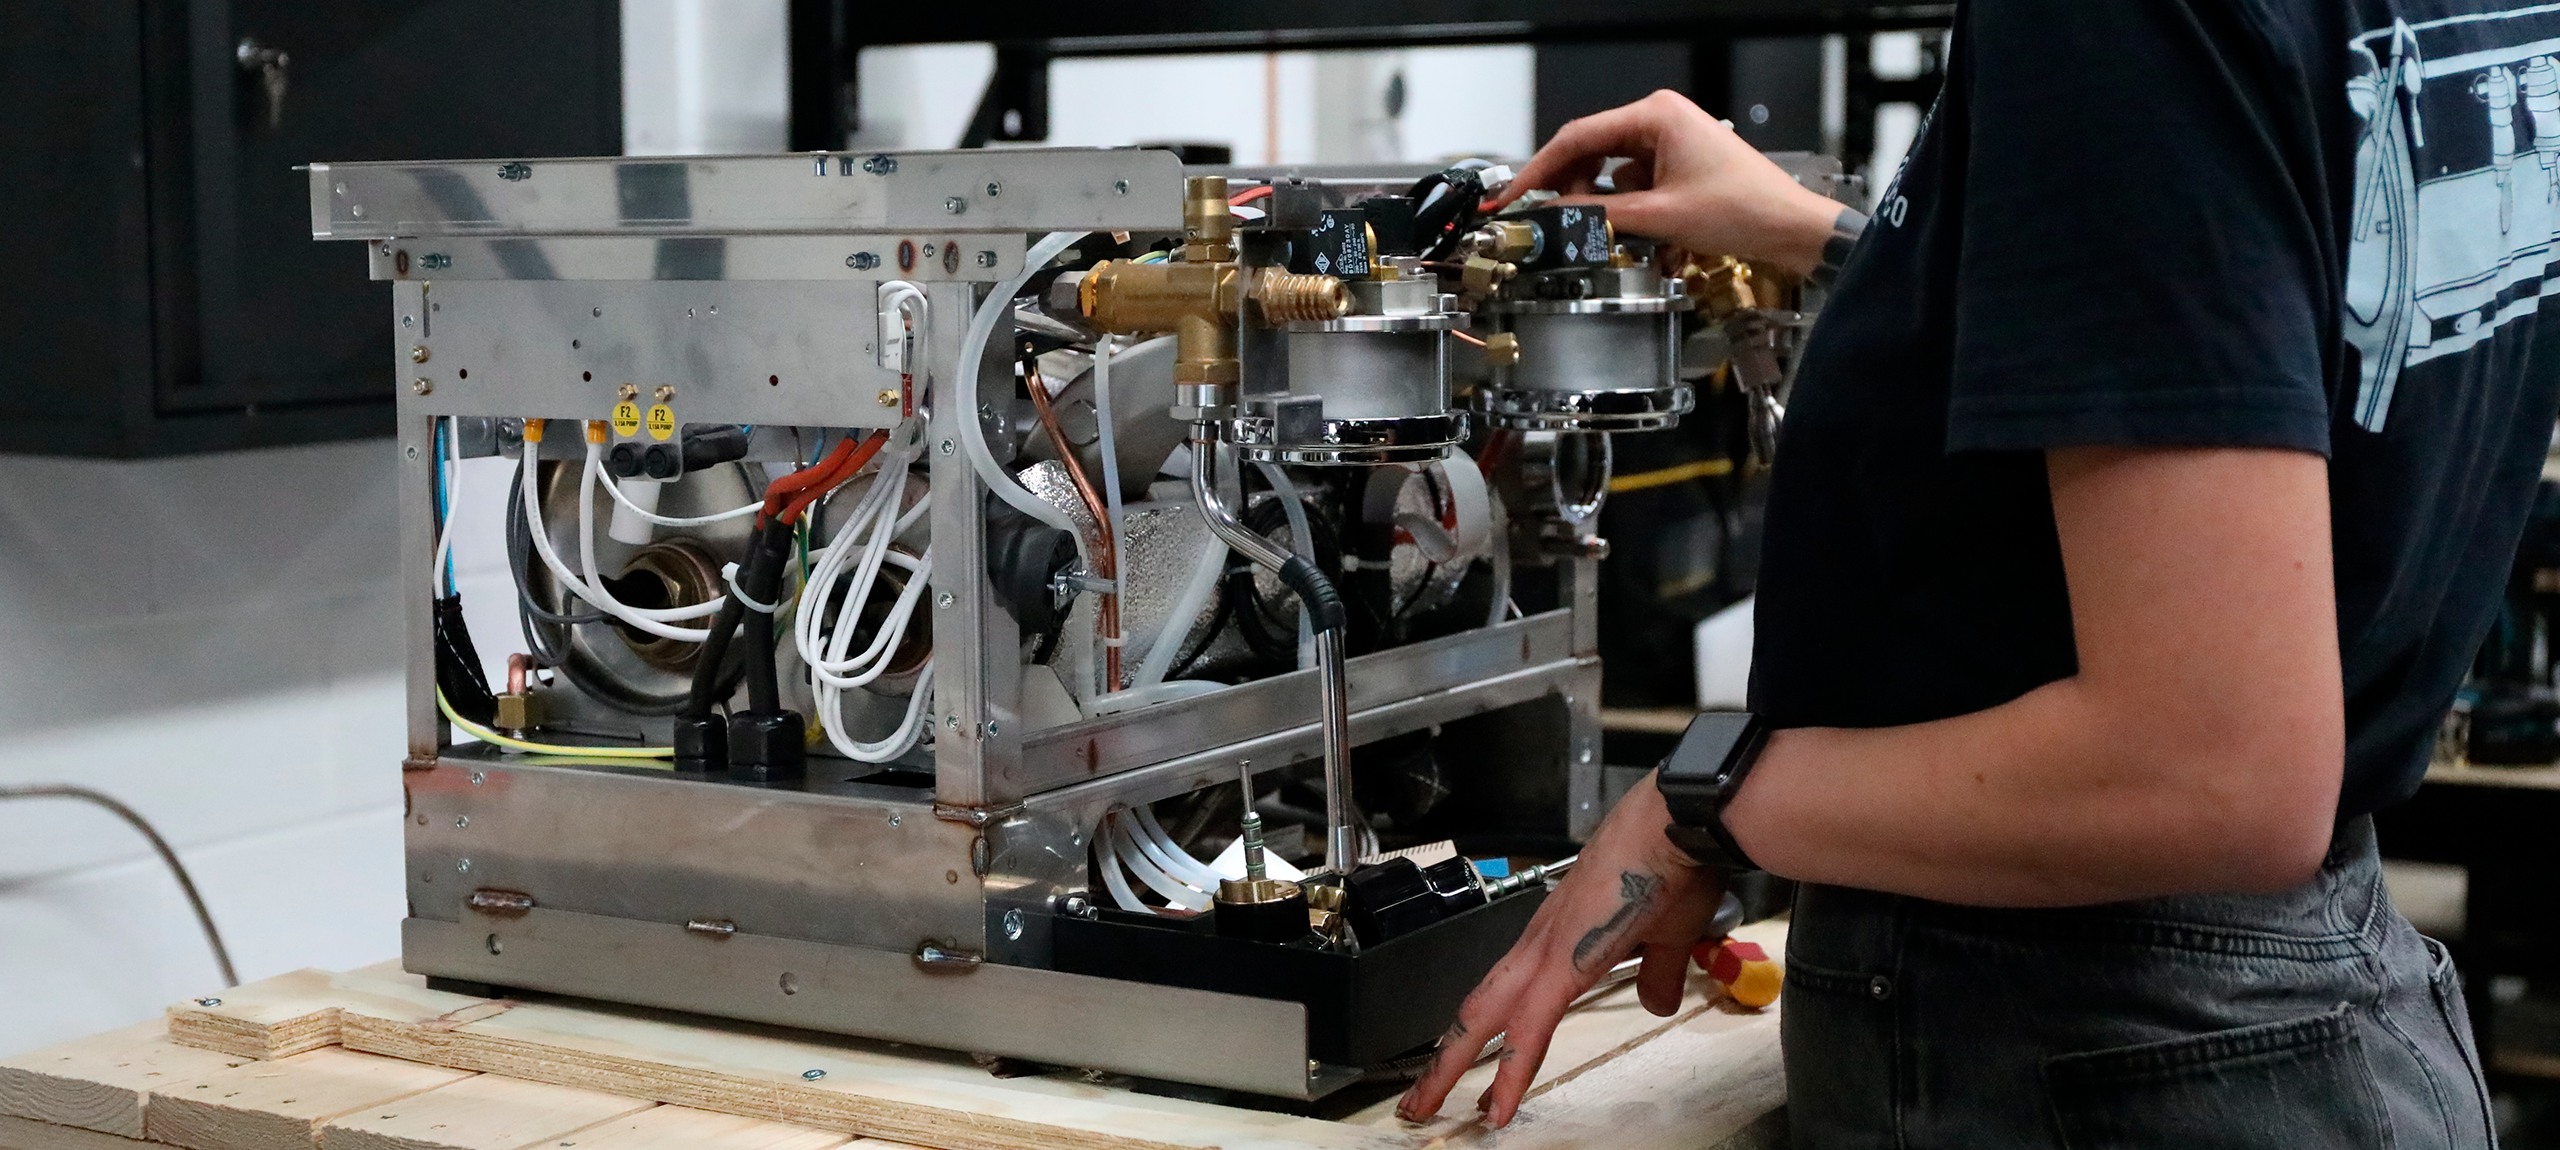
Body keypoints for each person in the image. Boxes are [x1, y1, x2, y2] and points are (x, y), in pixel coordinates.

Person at [1398, 2, 2560, 1145]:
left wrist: (1701, 803)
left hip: (2087, 1043)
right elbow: (2223, 317)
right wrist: (1834, 240)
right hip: (2295, 1012)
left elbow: (2208, 775)